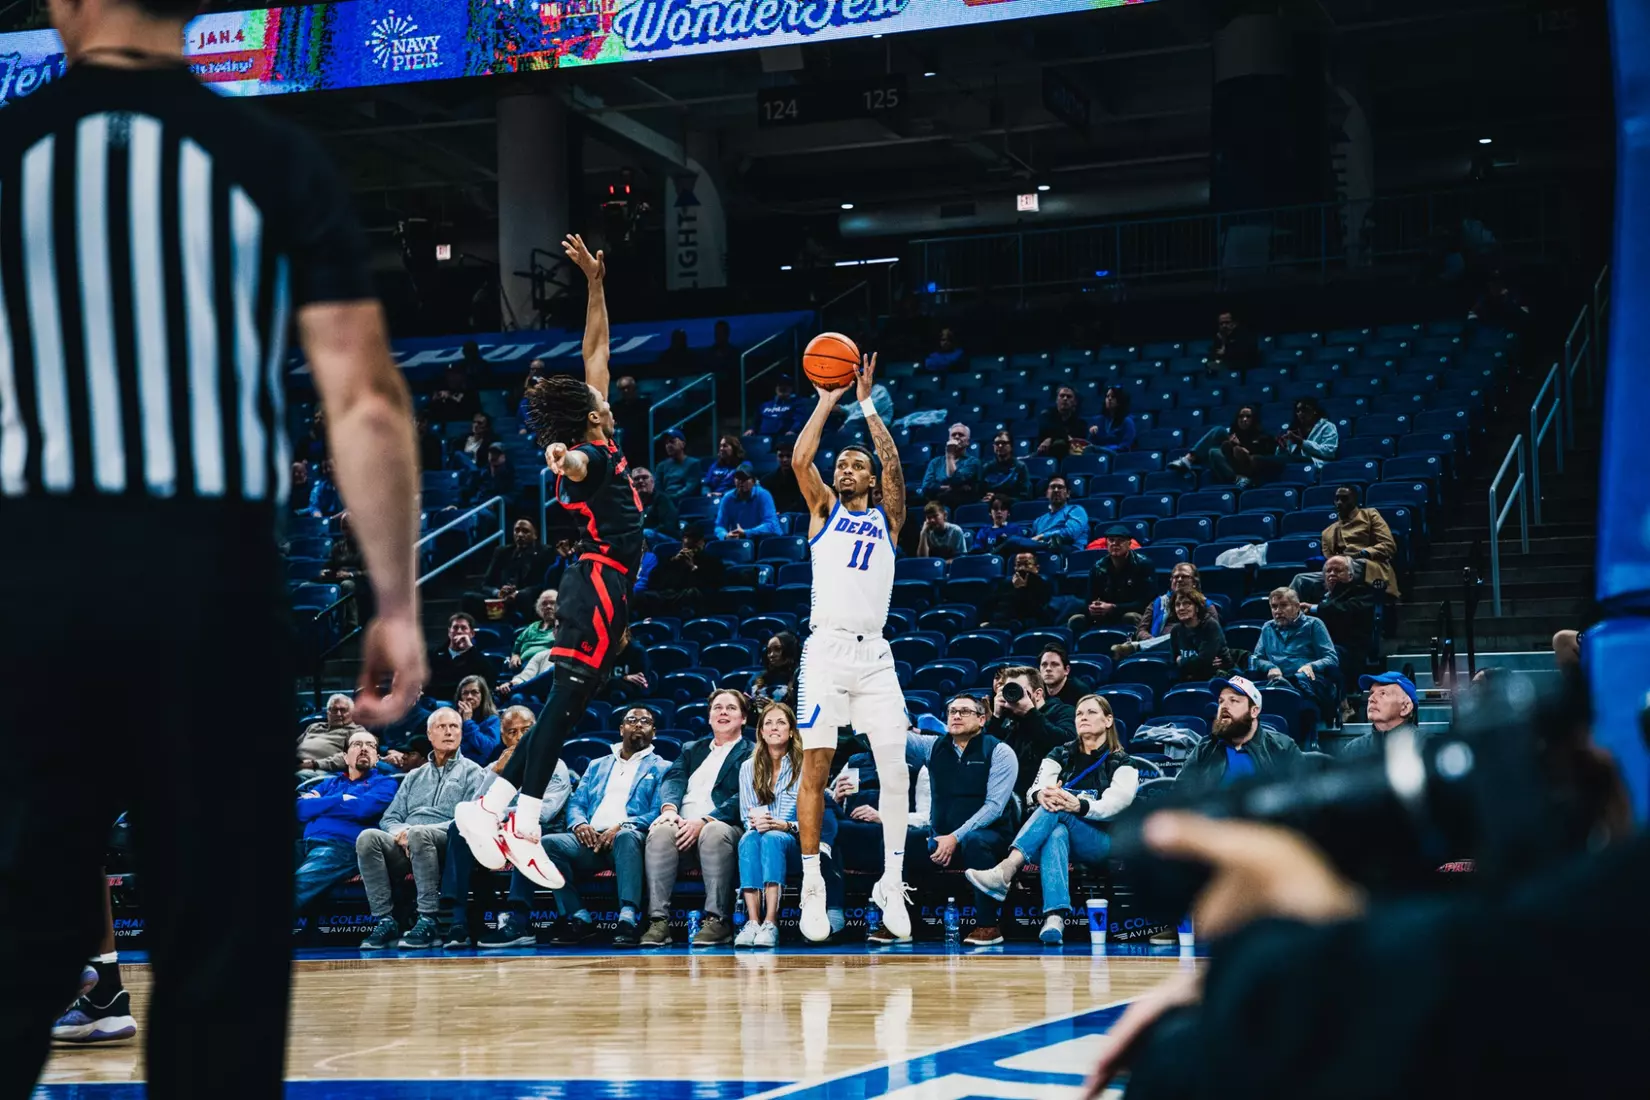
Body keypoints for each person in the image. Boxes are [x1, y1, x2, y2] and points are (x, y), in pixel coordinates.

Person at [0, 0, 430, 1089]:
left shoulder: (11, 153)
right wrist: (395, 598)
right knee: (221, 967)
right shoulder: (268, 155)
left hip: (31, 582)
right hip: (214, 592)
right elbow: (365, 401)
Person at [453, 234, 646, 896]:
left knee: (571, 703)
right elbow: (574, 463)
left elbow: (596, 347)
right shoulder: (592, 456)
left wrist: (594, 281)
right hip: (594, 579)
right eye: (601, 404)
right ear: (589, 420)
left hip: (605, 586)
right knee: (564, 704)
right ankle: (521, 822)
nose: (609, 398)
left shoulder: (602, 435)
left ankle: (488, 808)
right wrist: (562, 459)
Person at [789, 349, 914, 943]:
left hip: (876, 655)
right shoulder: (822, 512)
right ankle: (812, 882)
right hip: (827, 652)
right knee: (816, 764)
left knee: (895, 771)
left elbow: (893, 463)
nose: (845, 469)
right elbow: (799, 457)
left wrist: (866, 404)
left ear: (871, 479)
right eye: (841, 463)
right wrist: (826, 400)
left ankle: (892, 881)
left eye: (855, 464)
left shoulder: (890, 519)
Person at [965, 694, 1142, 944]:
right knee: (1056, 828)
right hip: (1051, 836)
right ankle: (1054, 918)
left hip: (1102, 841)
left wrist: (1078, 805)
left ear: (1108, 720)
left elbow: (1118, 803)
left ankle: (1007, 869)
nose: (1083, 717)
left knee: (1058, 808)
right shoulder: (1060, 753)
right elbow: (1034, 791)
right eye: (1079, 713)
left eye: (1091, 712)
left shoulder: (1123, 762)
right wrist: (1042, 795)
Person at [357, 709, 489, 950]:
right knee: (367, 838)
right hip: (407, 841)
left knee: (420, 834)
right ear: (429, 734)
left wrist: (416, 830)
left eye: (454, 726)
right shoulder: (413, 776)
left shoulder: (474, 772)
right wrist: (401, 833)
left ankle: (429, 919)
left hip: (446, 843)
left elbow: (468, 817)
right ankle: (386, 920)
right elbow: (390, 817)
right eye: (442, 727)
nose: (449, 731)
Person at [538, 706, 668, 948]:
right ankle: (578, 917)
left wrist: (621, 826)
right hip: (590, 841)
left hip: (630, 839)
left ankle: (628, 918)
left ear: (654, 732)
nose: (638, 724)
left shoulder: (663, 767)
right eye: (631, 720)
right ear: (621, 729)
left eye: (645, 721)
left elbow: (657, 811)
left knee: (626, 837)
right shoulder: (597, 765)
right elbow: (577, 801)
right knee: (547, 844)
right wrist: (579, 823)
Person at [906, 694, 1021, 947]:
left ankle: (988, 925)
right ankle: (902, 924)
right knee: (909, 841)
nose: (956, 716)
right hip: (942, 837)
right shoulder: (932, 747)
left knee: (974, 841)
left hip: (991, 836)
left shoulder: (1000, 751)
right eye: (952, 711)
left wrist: (955, 837)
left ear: (982, 719)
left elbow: (994, 807)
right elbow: (892, 739)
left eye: (964, 711)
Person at [642, 690, 753, 947]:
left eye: (730, 708)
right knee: (659, 831)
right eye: (717, 708)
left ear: (743, 718)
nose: (722, 712)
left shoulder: (752, 752)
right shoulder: (691, 748)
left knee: (714, 832)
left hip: (722, 825)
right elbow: (674, 779)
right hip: (682, 825)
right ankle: (658, 921)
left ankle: (717, 920)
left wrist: (705, 821)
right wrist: (669, 810)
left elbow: (744, 796)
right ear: (709, 716)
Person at [442, 757, 573, 949]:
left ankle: (519, 923)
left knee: (520, 832)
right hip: (497, 828)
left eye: (525, 730)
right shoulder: (496, 765)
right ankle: (458, 922)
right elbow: (473, 808)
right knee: (458, 829)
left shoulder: (553, 764)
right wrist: (496, 772)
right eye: (512, 732)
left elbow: (547, 811)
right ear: (503, 736)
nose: (519, 736)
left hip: (540, 828)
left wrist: (501, 815)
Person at [294, 731, 399, 914]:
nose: (364, 749)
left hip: (340, 847)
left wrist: (319, 804)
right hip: (304, 845)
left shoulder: (385, 784)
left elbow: (362, 809)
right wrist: (340, 798)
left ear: (377, 757)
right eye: (357, 744)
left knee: (298, 885)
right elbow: (300, 809)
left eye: (370, 746)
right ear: (345, 756)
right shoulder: (329, 783)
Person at [734, 703, 806, 947]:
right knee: (748, 838)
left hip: (795, 839)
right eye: (768, 723)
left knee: (773, 838)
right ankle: (753, 922)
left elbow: (813, 818)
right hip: (761, 833)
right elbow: (747, 815)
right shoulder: (748, 767)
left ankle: (771, 922)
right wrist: (758, 822)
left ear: (792, 731)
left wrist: (785, 824)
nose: (774, 728)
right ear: (761, 732)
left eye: (781, 723)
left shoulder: (805, 765)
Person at [1176, 676, 1304, 791]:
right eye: (1221, 701)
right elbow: (1179, 795)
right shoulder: (1205, 747)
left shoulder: (1282, 747)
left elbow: (1302, 797)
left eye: (1233, 700)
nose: (1224, 706)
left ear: (1254, 711)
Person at [1251, 587, 1340, 728]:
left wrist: (1311, 666)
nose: (1278, 611)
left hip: (1305, 680)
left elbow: (1331, 658)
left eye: (1284, 605)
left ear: (1297, 606)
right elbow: (1256, 659)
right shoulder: (1268, 627)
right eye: (1274, 607)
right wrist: (1270, 667)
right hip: (1275, 678)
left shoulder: (1314, 624)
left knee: (1303, 688)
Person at [985, 665, 1076, 794]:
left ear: (1038, 694)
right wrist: (996, 717)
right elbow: (986, 754)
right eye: (1009, 690)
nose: (1014, 695)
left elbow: (1067, 743)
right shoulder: (1008, 719)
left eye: (1019, 690)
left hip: (1048, 791)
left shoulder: (1063, 711)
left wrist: (1029, 712)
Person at [1305, 485, 1402, 600]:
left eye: (1344, 499)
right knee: (1301, 580)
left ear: (1355, 500)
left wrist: (1364, 553)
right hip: (1337, 570)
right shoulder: (1328, 532)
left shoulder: (1370, 516)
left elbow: (1388, 545)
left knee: (1346, 568)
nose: (1339, 503)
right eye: (1337, 499)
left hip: (1368, 566)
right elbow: (1330, 559)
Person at [1306, 555, 1379, 698]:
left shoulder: (1362, 592)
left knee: (1329, 657)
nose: (1332, 574)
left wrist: (1315, 609)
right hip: (1315, 644)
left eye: (1338, 570)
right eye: (1328, 571)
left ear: (1351, 575)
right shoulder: (1315, 592)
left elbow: (1344, 610)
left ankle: (1342, 701)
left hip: (1347, 645)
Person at [1118, 562, 1219, 655]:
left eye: (1184, 576)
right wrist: (1152, 640)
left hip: (1190, 650)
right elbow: (1141, 630)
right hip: (1158, 649)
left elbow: (1213, 633)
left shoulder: (1205, 604)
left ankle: (1138, 647)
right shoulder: (1157, 603)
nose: (1179, 580)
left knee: (1179, 635)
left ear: (1194, 582)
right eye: (1175, 577)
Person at [464, 518, 554, 622]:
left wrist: (517, 593)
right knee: (469, 598)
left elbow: (544, 584)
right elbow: (485, 584)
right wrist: (498, 593)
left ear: (535, 535)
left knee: (524, 597)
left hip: (527, 598)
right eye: (517, 530)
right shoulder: (502, 552)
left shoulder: (545, 552)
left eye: (525, 531)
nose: (520, 534)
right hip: (501, 599)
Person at [1069, 526, 1157, 631]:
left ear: (1129, 544)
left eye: (1120, 541)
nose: (1115, 544)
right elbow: (1090, 598)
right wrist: (1093, 607)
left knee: (1130, 617)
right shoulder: (1098, 567)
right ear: (1106, 544)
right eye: (1111, 540)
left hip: (1132, 611)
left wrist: (1114, 607)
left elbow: (1147, 602)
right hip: (1105, 613)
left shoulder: (1144, 564)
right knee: (1076, 619)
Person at [631, 523, 727, 619]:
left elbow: (713, 586)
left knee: (693, 593)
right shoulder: (672, 560)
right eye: (685, 540)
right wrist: (673, 563)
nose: (687, 544)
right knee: (642, 597)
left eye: (692, 543)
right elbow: (654, 583)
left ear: (701, 542)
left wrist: (693, 567)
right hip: (672, 597)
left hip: (696, 600)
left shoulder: (712, 561)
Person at [1168, 405, 1275, 484]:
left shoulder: (1262, 436)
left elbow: (1261, 458)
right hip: (1230, 467)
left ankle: (1239, 478)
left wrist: (1240, 447)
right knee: (1216, 439)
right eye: (1241, 416)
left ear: (1254, 419)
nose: (1244, 419)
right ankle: (1188, 459)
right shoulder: (1234, 433)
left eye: (1248, 416)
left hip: (1248, 468)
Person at [1249, 397, 1338, 487]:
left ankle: (1252, 461)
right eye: (1298, 411)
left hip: (1314, 462)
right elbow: (1286, 454)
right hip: (1294, 460)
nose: (1300, 413)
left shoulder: (1327, 426)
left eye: (1304, 410)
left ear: (1314, 411)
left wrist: (1301, 442)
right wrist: (1282, 447)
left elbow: (1329, 451)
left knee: (1263, 461)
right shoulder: (1295, 428)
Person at [1341, 672, 1421, 758]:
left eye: (1383, 693)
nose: (1371, 699)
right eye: (1371, 693)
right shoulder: (1353, 750)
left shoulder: (1427, 749)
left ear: (1405, 707)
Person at [427, 613, 493, 702]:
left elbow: (491, 679)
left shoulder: (477, 657)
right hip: (437, 701)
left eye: (463, 628)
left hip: (465, 702)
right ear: (449, 632)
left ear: (472, 633)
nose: (459, 631)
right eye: (455, 627)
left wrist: (470, 649)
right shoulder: (434, 654)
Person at [297, 694, 370, 775]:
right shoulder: (314, 727)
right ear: (328, 712)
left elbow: (352, 756)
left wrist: (314, 764)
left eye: (343, 710)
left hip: (322, 770)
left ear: (351, 713)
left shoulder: (357, 731)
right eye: (334, 710)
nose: (338, 714)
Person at [982, 551, 1055, 629]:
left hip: (1030, 624)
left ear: (1036, 568)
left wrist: (1021, 589)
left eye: (1027, 564)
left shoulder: (1043, 584)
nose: (1022, 568)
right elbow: (993, 604)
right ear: (1014, 568)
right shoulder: (1005, 583)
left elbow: (1039, 612)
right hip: (1004, 623)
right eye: (1019, 565)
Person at [1169, 589, 1229, 681]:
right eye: (1177, 605)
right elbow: (1173, 663)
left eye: (1186, 603)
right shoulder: (1176, 630)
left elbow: (1203, 661)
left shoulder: (1210, 625)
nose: (1181, 608)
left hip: (1216, 678)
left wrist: (1181, 661)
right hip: (1188, 679)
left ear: (1197, 608)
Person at [920, 423, 981, 509]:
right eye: (953, 435)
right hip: (935, 505)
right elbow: (926, 487)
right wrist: (952, 488)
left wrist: (950, 455)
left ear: (967, 442)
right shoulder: (935, 462)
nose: (956, 437)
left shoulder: (973, 462)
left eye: (961, 435)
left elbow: (955, 479)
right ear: (949, 439)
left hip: (960, 505)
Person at [714, 463, 781, 539]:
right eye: (738, 478)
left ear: (754, 481)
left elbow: (770, 524)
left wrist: (747, 532)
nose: (741, 482)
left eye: (745, 479)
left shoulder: (763, 495)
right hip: (741, 540)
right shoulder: (727, 498)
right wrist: (725, 535)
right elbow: (719, 526)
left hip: (766, 539)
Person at [1029, 474, 1090, 552]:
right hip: (1043, 552)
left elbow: (1070, 533)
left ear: (1068, 493)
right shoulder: (1039, 521)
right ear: (1047, 493)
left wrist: (1042, 536)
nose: (1056, 490)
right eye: (1053, 487)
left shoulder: (1076, 510)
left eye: (1060, 487)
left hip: (1069, 552)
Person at [506, 589, 558, 674]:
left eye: (552, 603)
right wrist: (515, 656)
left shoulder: (561, 628)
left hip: (543, 668)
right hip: (522, 666)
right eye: (544, 604)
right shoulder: (533, 627)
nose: (548, 606)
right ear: (539, 607)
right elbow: (517, 647)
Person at [454, 676, 501, 765]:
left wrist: (468, 722)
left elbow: (489, 749)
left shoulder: (492, 720)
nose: (469, 697)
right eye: (465, 693)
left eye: (474, 692)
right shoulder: (453, 718)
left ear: (483, 696)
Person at [751, 632, 802, 709]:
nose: (771, 655)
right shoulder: (756, 678)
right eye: (769, 651)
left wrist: (773, 707)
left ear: (789, 651)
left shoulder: (800, 679)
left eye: (777, 649)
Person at [630, 466, 680, 542]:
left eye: (644, 477)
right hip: (639, 539)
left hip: (666, 539)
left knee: (645, 533)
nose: (640, 481)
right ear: (631, 484)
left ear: (652, 481)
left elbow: (668, 526)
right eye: (636, 479)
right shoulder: (629, 503)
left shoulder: (663, 499)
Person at [980, 432, 1031, 502]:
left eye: (1004, 443)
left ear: (1011, 446)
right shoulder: (987, 467)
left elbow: (1025, 495)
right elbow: (980, 492)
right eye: (997, 443)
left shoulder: (1020, 467)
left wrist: (999, 498)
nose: (1000, 446)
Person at [655, 429, 704, 501]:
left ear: (683, 444)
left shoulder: (694, 463)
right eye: (666, 443)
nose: (668, 445)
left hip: (685, 503)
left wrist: (669, 499)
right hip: (666, 503)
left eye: (672, 441)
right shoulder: (661, 466)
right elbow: (658, 488)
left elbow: (690, 489)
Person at [1210, 309, 1260, 376]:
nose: (1224, 326)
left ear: (1234, 323)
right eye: (1221, 323)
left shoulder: (1244, 335)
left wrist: (1226, 352)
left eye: (1227, 322)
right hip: (1225, 368)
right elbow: (1214, 353)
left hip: (1242, 369)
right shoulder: (1219, 337)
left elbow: (1247, 352)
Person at [610, 375, 650, 455]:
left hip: (643, 443)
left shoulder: (646, 404)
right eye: (622, 389)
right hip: (624, 444)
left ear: (634, 388)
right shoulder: (616, 407)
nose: (625, 391)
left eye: (628, 387)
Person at [1089, 386, 1137, 453]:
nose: (1109, 399)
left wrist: (1106, 449)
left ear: (1120, 400)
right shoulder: (1097, 420)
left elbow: (1125, 445)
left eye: (1113, 397)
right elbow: (1090, 444)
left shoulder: (1127, 422)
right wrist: (1092, 434)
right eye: (1107, 396)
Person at [763, 440, 807, 514]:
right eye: (781, 456)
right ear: (777, 457)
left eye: (788, 456)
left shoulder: (803, 478)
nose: (784, 460)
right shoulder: (767, 480)